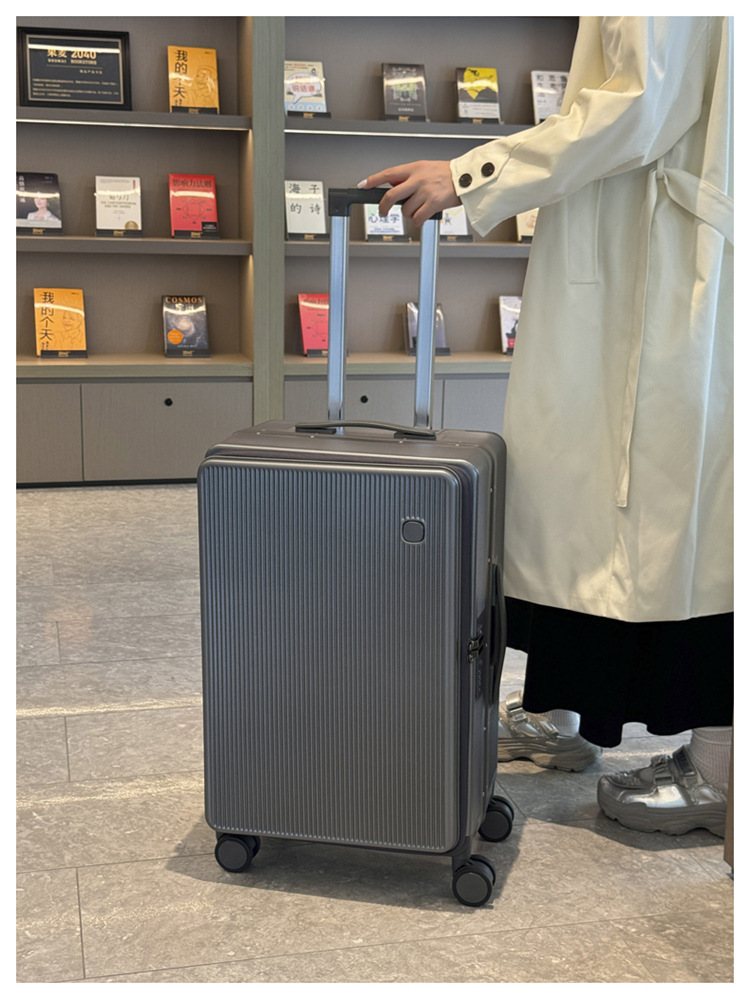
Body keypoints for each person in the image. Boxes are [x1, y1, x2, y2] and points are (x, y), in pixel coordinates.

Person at [359, 16, 733, 837]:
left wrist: (472, 174)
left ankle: (719, 770)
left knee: (674, 522)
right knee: (578, 500)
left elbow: (640, 103)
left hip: (659, 264)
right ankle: (562, 711)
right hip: (637, 248)